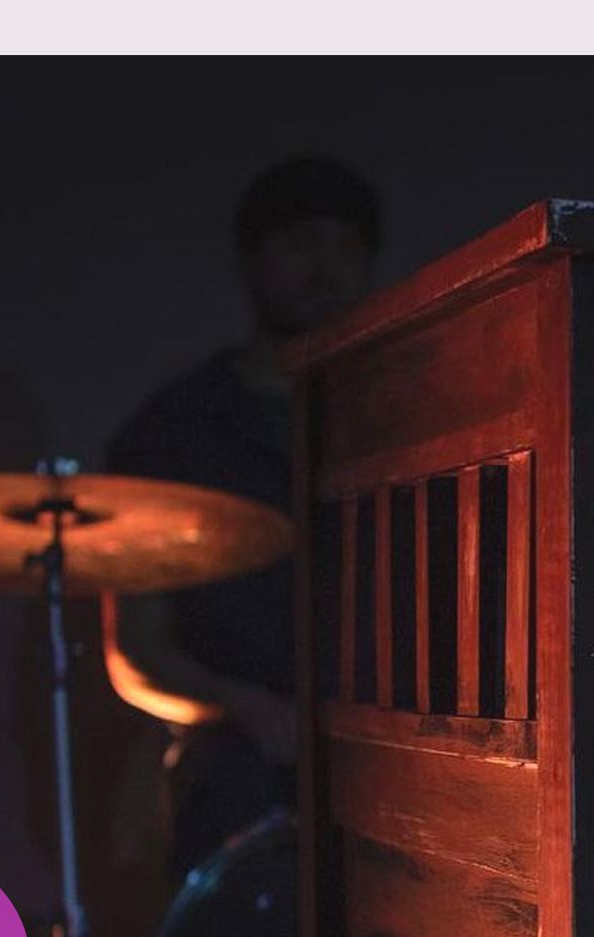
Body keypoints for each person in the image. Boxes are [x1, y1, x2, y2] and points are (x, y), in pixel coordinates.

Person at [105, 156, 379, 884]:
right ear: (253, 262)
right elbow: (136, 645)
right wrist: (243, 706)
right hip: (237, 771)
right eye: (298, 243)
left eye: (346, 246)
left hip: (385, 766)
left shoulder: (406, 415)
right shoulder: (173, 433)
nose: (324, 268)